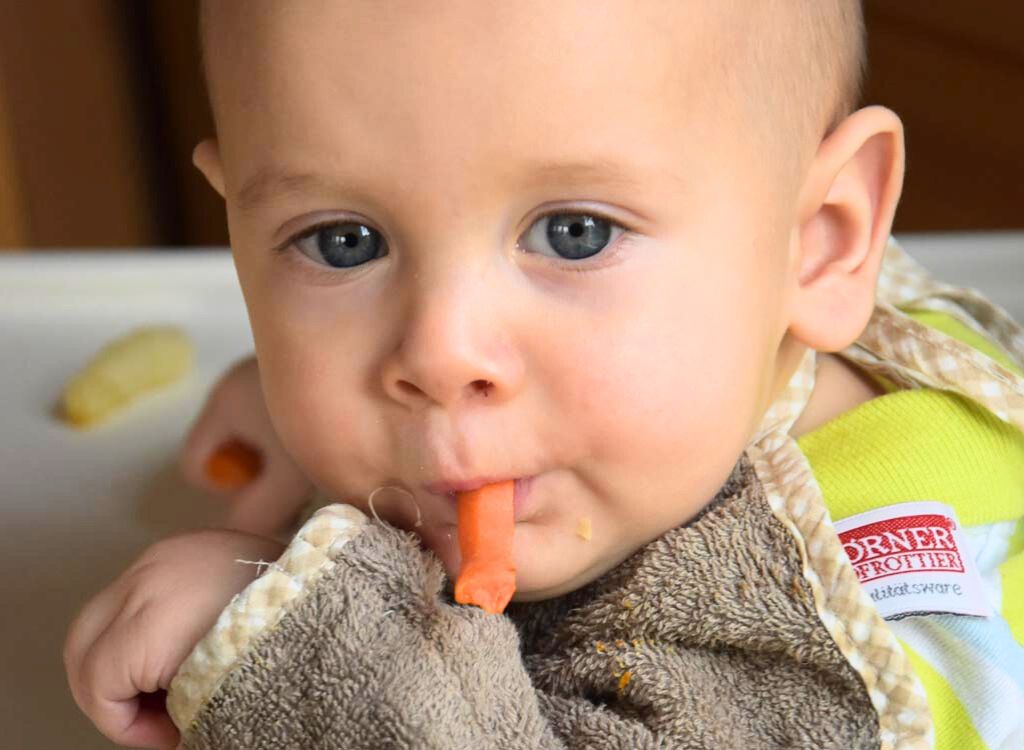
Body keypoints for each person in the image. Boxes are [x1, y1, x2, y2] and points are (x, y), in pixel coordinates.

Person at [63, 1, 1024, 748]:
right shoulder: (716, 293)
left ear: (818, 241)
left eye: (576, 233)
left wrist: (274, 632)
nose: (438, 356)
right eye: (343, 242)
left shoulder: (837, 632)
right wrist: (288, 400)